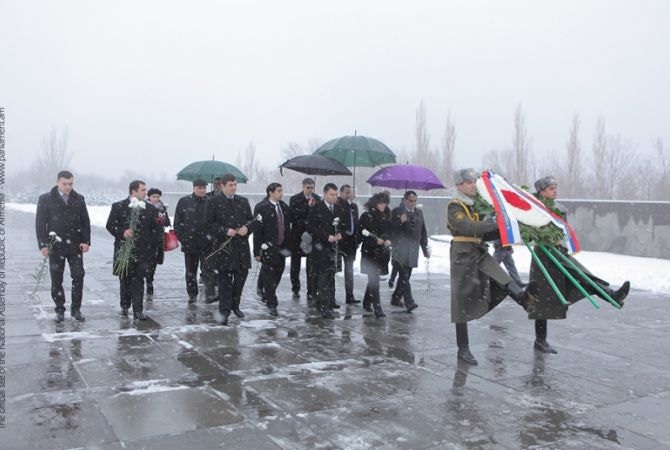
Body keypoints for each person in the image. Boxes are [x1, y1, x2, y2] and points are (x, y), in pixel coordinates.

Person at [528, 176, 631, 354]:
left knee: (583, 278)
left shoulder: (560, 209)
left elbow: (564, 231)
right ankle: (540, 340)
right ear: (542, 191)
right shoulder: (533, 208)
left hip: (558, 253)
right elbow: (530, 232)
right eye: (551, 188)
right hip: (543, 256)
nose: (555, 190)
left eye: (555, 187)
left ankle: (613, 295)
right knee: (542, 299)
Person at [447, 168, 539, 365]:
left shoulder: (474, 206)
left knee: (502, 276)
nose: (473, 185)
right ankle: (463, 349)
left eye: (474, 182)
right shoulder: (455, 207)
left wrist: (507, 227)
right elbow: (470, 229)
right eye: (469, 182)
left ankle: (524, 299)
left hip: (478, 251)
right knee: (461, 302)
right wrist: (496, 219)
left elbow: (483, 234)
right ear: (459, 186)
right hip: (462, 255)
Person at [35, 170, 91, 322]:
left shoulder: (79, 199)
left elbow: (85, 221)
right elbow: (40, 224)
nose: (68, 187)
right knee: (57, 278)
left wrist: (86, 241)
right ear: (57, 182)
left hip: (75, 245)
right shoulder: (46, 199)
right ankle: (59, 309)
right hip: (55, 245)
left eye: (70, 184)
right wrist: (43, 245)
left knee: (78, 275)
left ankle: (76, 309)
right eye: (64, 184)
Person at [106, 180, 160, 321]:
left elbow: (155, 230)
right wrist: (122, 232)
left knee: (138, 281)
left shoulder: (150, 209)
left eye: (145, 190)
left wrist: (151, 248)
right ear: (133, 191)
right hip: (124, 251)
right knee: (124, 279)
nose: (145, 192)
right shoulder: (119, 207)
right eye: (142, 190)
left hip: (142, 252)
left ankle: (138, 310)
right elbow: (110, 225)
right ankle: (124, 306)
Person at [206, 173, 254, 326]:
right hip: (224, 248)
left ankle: (235, 305)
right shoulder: (213, 202)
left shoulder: (243, 201)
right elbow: (209, 224)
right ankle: (224, 311)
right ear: (223, 186)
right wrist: (224, 230)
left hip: (241, 248)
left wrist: (247, 228)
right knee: (225, 281)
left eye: (235, 185)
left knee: (241, 278)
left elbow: (251, 221)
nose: (234, 187)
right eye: (230, 185)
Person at [306, 183, 346, 319]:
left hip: (334, 249)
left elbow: (343, 226)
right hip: (320, 249)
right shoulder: (316, 208)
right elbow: (310, 227)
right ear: (324, 194)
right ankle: (324, 306)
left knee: (331, 276)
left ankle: (329, 301)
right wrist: (325, 236)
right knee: (322, 277)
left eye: (336, 195)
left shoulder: (339, 209)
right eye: (332, 194)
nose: (334, 197)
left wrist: (340, 234)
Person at [173, 179, 216, 303]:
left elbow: (216, 222)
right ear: (193, 188)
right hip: (190, 243)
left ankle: (210, 294)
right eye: (199, 188)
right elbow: (177, 223)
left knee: (209, 270)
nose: (202, 190)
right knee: (191, 271)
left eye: (204, 188)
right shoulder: (184, 202)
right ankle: (192, 294)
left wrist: (212, 238)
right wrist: (184, 239)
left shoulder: (211, 202)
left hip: (207, 244)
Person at [253, 183, 291, 316]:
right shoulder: (262, 208)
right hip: (268, 247)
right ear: (271, 192)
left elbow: (288, 226)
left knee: (278, 273)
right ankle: (272, 303)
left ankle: (267, 291)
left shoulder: (284, 207)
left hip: (282, 247)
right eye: (279, 191)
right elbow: (257, 231)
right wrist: (257, 251)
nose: (282, 193)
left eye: (282, 190)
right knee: (269, 275)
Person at [390, 191, 430, 312]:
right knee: (404, 276)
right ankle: (409, 302)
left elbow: (423, 231)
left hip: (413, 249)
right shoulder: (397, 211)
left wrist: (425, 248)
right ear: (405, 200)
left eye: (414, 201)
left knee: (406, 276)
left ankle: (396, 297)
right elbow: (391, 229)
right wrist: (399, 222)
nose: (413, 203)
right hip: (401, 249)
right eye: (410, 201)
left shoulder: (419, 212)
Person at [358, 193, 392, 318]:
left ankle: (367, 301)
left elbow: (391, 231)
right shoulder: (367, 216)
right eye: (381, 203)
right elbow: (360, 234)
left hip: (382, 253)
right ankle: (377, 307)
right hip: (370, 253)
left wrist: (389, 240)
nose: (383, 205)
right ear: (375, 203)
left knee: (374, 278)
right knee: (373, 278)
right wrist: (374, 240)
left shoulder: (387, 215)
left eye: (385, 203)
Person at [289, 177, 321, 300]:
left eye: (312, 187)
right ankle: (295, 288)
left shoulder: (317, 199)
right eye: (308, 187)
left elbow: (317, 217)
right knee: (295, 264)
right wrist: (308, 207)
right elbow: (294, 216)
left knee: (311, 265)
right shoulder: (295, 199)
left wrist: (313, 208)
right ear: (303, 187)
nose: (310, 190)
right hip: (297, 235)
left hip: (311, 236)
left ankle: (311, 289)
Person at [145, 187, 171, 301]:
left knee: (155, 261)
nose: (156, 199)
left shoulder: (162, 208)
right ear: (149, 197)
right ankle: (148, 280)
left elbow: (168, 223)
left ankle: (150, 278)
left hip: (158, 239)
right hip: (147, 239)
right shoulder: (144, 206)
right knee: (148, 261)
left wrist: (163, 219)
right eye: (153, 196)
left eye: (157, 197)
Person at [338, 184, 361, 305]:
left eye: (350, 192)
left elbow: (356, 224)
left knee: (349, 270)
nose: (348, 195)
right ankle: (329, 297)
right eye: (346, 192)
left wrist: (357, 240)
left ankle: (350, 295)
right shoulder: (337, 205)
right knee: (333, 269)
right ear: (341, 193)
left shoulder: (353, 206)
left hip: (351, 242)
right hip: (340, 241)